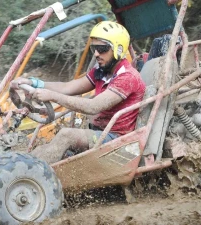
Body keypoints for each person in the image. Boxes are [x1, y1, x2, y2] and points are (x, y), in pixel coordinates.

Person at [10, 21, 146, 164]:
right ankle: (21, 167)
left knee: (66, 135)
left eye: (102, 48)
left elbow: (93, 106)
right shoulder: (102, 71)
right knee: (44, 146)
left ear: (118, 49)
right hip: (98, 132)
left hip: (117, 140)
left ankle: (30, 175)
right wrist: (34, 83)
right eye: (94, 48)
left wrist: (52, 96)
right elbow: (67, 87)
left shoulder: (127, 77)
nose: (96, 53)